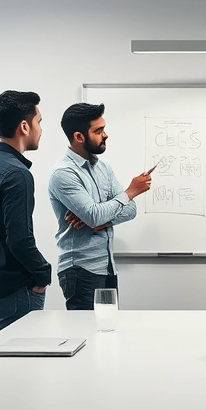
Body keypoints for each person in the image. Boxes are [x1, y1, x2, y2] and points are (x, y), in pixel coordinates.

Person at [48, 103, 153, 310]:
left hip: (106, 267)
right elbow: (96, 214)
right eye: (98, 131)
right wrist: (130, 191)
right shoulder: (64, 173)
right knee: (86, 332)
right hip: (80, 268)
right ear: (79, 136)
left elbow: (130, 210)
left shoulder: (102, 167)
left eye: (103, 129)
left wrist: (100, 221)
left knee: (109, 329)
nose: (105, 135)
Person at [0, 90, 53, 335]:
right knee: (22, 366)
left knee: (3, 365)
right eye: (39, 122)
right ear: (24, 127)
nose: (41, 129)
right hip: (14, 291)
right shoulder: (17, 174)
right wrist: (43, 274)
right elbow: (20, 239)